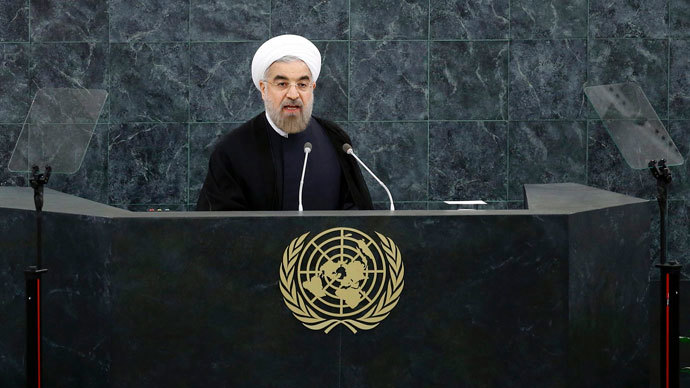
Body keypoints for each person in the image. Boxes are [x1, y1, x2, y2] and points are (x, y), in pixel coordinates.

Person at [196, 34, 373, 211]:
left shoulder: (335, 139)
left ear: (312, 88)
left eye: (302, 85)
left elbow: (354, 212)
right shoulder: (232, 150)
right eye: (282, 84)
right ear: (264, 89)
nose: (293, 95)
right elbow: (218, 228)